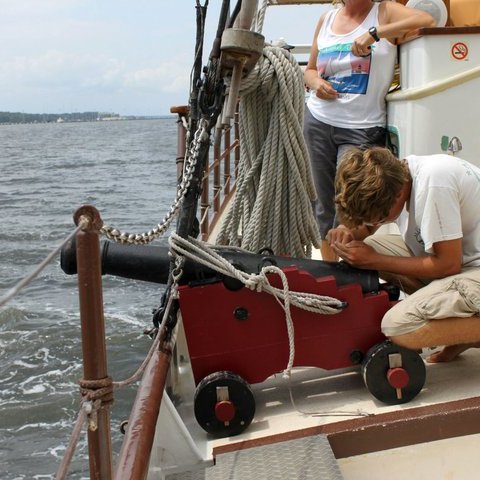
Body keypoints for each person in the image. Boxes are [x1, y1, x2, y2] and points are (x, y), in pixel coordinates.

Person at [303, 0, 435, 261]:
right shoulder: (326, 19)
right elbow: (309, 70)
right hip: (318, 120)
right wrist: (317, 83)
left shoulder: (384, 11)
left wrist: (375, 33)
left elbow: (426, 20)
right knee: (324, 203)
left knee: (352, 203)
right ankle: (330, 269)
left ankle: (348, 268)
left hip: (362, 128)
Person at [328, 146, 480, 363]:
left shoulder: (433, 184)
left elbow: (448, 265)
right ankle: (459, 324)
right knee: (367, 247)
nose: (375, 224)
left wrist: (374, 260)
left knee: (398, 326)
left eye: (380, 218)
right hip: (462, 261)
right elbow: (368, 228)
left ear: (398, 193)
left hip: (464, 266)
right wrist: (347, 231)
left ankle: (468, 332)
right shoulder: (398, 173)